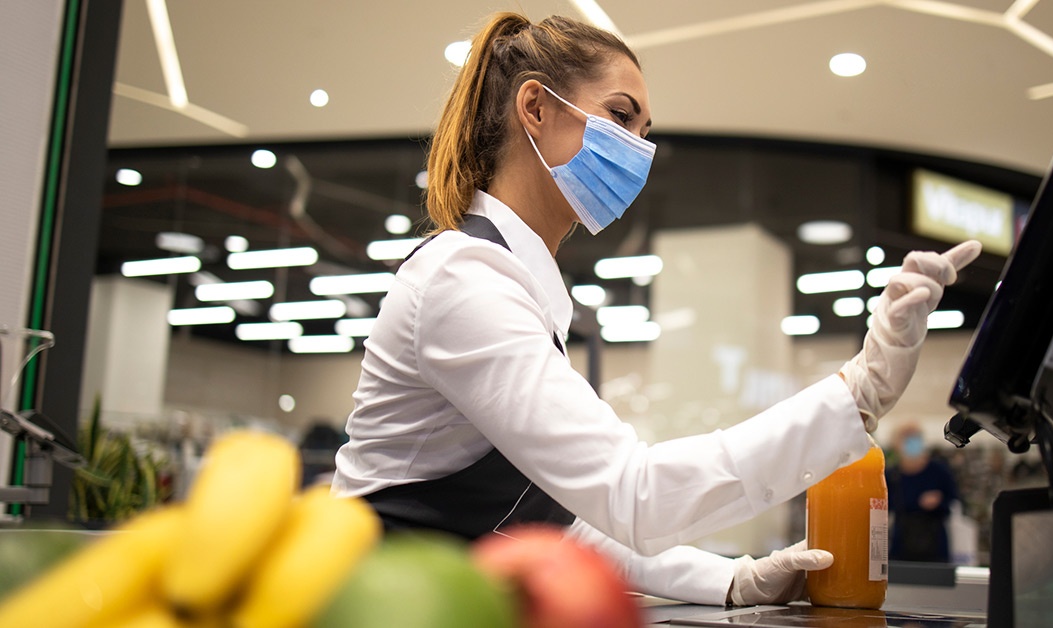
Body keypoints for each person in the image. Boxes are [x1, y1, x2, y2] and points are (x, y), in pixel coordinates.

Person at [331, 11, 982, 606]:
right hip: (374, 606)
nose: (638, 150)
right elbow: (632, 493)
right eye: (621, 116)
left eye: (645, 131)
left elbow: (569, 524)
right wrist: (859, 390)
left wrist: (732, 579)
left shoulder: (513, 283)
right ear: (535, 106)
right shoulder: (463, 280)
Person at [886, 424, 961, 563]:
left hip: (935, 542)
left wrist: (939, 501)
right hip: (902, 542)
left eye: (915, 437)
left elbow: (954, 499)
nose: (912, 442)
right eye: (906, 437)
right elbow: (886, 506)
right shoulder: (891, 475)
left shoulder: (939, 471)